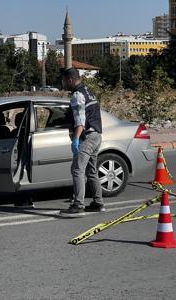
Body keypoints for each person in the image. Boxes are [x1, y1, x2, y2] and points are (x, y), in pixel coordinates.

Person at [60, 68, 105, 217]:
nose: (63, 84)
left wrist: (76, 139)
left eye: (64, 81)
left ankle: (78, 204)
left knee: (77, 169)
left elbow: (80, 121)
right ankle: (98, 203)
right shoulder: (88, 91)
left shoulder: (77, 95)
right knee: (91, 171)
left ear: (70, 80)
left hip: (87, 137)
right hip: (97, 135)